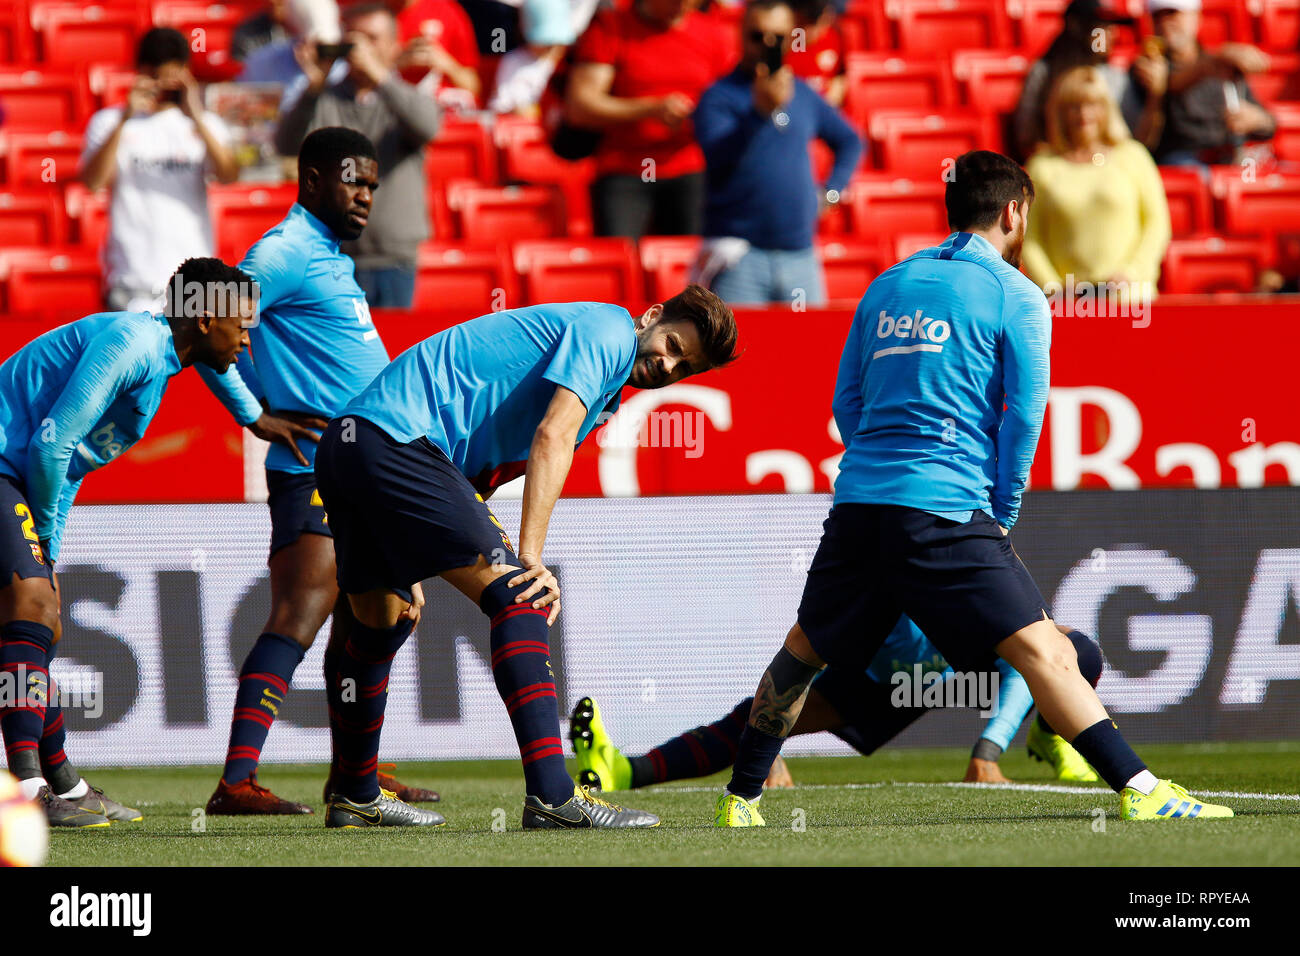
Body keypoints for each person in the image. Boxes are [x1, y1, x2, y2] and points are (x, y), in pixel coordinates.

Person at [712, 150, 1233, 827]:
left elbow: (845, 402)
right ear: (1014, 212)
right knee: (1046, 650)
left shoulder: (888, 284)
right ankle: (1141, 789)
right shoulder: (1018, 296)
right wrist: (1002, 512)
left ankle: (740, 799)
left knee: (803, 650)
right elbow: (1023, 419)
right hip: (948, 510)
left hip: (860, 505)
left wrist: (876, 456)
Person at [312, 284, 739, 828]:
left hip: (353, 447)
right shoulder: (608, 331)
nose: (668, 364)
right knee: (523, 597)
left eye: (684, 368)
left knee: (383, 621)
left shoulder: (606, 383)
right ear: (652, 316)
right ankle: (554, 798)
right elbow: (551, 436)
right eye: (673, 344)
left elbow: (476, 463)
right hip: (397, 443)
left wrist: (412, 546)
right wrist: (530, 557)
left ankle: (353, 794)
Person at [199, 127, 439, 818]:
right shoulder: (284, 252)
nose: (366, 194)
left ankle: (351, 777)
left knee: (372, 620)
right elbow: (199, 316)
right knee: (302, 611)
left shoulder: (328, 257)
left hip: (365, 472)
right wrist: (253, 412)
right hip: (314, 468)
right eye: (353, 180)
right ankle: (235, 782)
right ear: (310, 180)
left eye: (372, 183)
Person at [0, 258, 256, 828]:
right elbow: (49, 444)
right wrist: (41, 542)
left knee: (45, 620)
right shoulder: (133, 344)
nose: (247, 334)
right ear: (206, 318)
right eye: (241, 321)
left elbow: (71, 465)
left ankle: (63, 781)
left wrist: (49, 550)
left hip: (15, 475)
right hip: (5, 465)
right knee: (34, 607)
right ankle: (24, 791)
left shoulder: (156, 363)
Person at [571, 618, 1107, 792]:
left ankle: (1049, 735)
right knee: (754, 716)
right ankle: (623, 771)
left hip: (962, 673)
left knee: (1072, 649)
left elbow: (1025, 661)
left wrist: (986, 753)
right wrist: (768, 739)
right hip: (888, 682)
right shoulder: (871, 563)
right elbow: (804, 652)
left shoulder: (970, 557)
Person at [692, 0, 861, 306]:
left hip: (800, 254)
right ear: (741, 35)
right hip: (739, 257)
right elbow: (718, 155)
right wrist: (760, 112)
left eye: (778, 37)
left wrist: (832, 192)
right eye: (757, 36)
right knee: (737, 350)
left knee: (808, 349)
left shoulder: (803, 93)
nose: (767, 45)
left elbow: (850, 140)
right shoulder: (719, 96)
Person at [276, 2, 442, 309]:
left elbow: (428, 127)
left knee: (395, 351)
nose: (360, 48)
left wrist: (380, 76)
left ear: (395, 46)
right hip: (335, 257)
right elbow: (286, 145)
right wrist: (313, 88)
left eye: (372, 38)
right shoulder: (326, 98)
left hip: (393, 258)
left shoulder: (404, 96)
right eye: (353, 39)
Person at [78, 28, 240, 313]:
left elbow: (229, 175)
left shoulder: (205, 124)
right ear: (142, 73)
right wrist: (126, 118)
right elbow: (93, 182)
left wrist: (197, 116)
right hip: (132, 281)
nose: (166, 88)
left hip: (195, 282)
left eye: (175, 79)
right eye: (159, 79)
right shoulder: (109, 122)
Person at [565, 0, 733, 239]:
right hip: (625, 168)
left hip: (688, 167)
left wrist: (701, 116)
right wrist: (650, 110)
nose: (681, 7)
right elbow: (580, 107)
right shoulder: (611, 27)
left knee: (690, 265)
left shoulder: (711, 32)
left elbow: (730, 101)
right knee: (620, 258)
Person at [1023, 66, 1171, 301]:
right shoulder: (1042, 166)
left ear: (1107, 109)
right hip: (1069, 305)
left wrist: (1131, 273)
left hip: (1131, 300)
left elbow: (1157, 223)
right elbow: (1030, 239)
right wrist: (1054, 288)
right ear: (1060, 114)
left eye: (1093, 105)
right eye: (1074, 107)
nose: (1084, 115)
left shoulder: (1133, 155)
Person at [1131, 0, 1275, 165]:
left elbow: (1269, 124)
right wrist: (1216, 61)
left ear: (1196, 17)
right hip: (1181, 162)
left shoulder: (1221, 65)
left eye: (1173, 13)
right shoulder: (1147, 66)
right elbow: (1171, 82)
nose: (1165, 22)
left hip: (1227, 157)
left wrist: (1256, 119)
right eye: (1157, 16)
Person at [1011, 0, 1144, 162]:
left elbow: (1135, 137)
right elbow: (1027, 137)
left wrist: (1154, 98)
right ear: (1075, 25)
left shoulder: (1116, 77)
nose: (1110, 34)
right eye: (1101, 27)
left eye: (1111, 27)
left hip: (1109, 168)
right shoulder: (1044, 72)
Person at [393, 0, 483, 108]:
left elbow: (473, 86)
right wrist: (398, 63)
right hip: (392, 106)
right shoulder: (371, 11)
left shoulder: (447, 11)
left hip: (442, 110)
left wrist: (444, 63)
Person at [787, 0, 846, 109]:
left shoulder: (834, 38)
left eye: (813, 24)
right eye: (803, 24)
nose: (808, 31)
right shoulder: (784, 44)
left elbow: (840, 78)